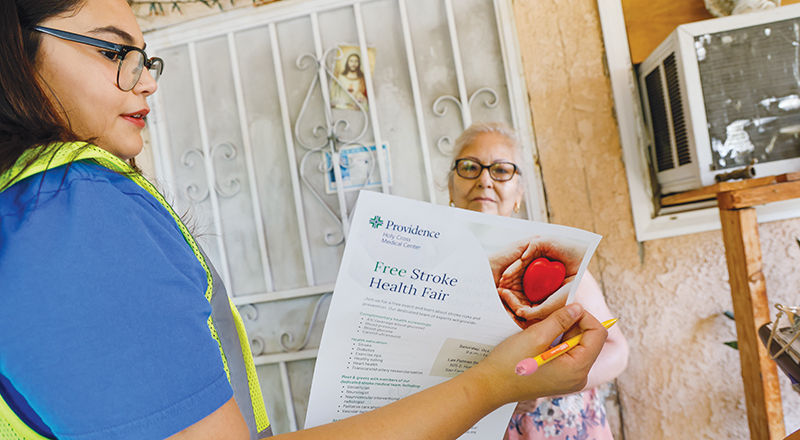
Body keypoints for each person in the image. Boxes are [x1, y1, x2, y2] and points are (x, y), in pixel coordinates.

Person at [0, 1, 610, 439]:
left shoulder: (33, 206)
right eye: (113, 52)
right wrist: (491, 385)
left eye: (146, 59)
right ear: (15, 50)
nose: (144, 83)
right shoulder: (67, 208)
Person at [447, 122, 630, 440]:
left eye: (501, 170)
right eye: (469, 167)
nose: (484, 180)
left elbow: (616, 351)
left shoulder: (554, 260)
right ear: (450, 187)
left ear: (518, 193)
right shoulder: (434, 268)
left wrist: (543, 388)